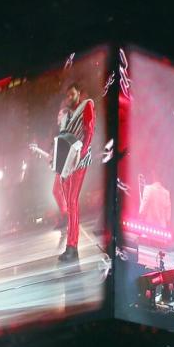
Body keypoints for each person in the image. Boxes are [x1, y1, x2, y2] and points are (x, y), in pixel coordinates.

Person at [57, 82, 95, 263]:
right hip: (66, 162)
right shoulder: (67, 114)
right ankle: (71, 248)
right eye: (68, 95)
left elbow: (89, 132)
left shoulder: (87, 105)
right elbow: (62, 138)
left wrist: (82, 153)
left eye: (72, 94)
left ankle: (72, 246)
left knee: (72, 201)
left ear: (78, 94)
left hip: (79, 160)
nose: (69, 98)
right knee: (68, 201)